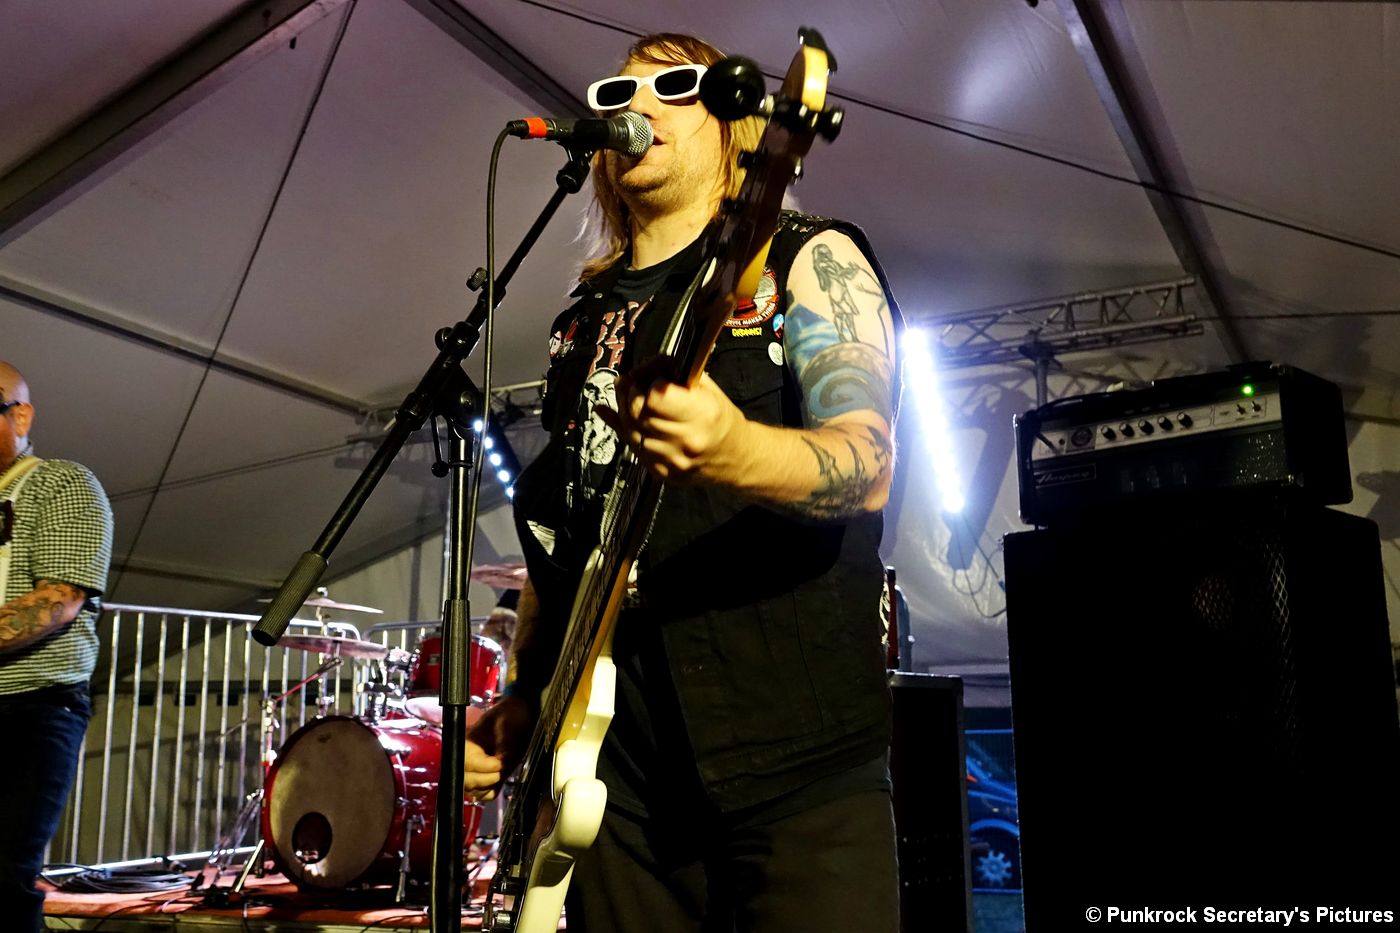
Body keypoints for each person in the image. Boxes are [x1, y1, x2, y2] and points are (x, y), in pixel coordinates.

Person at [466, 33, 902, 931]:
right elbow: (569, 538)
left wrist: (735, 448)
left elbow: (867, 462)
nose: (638, 103)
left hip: (797, 765)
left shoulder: (803, 259)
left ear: (735, 124)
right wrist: (529, 696)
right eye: (618, 92)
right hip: (622, 792)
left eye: (674, 85)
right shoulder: (578, 323)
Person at [0, 361, 114, 932]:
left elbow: (59, 599)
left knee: (3, 879)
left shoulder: (61, 483)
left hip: (30, 705)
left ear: (19, 416)